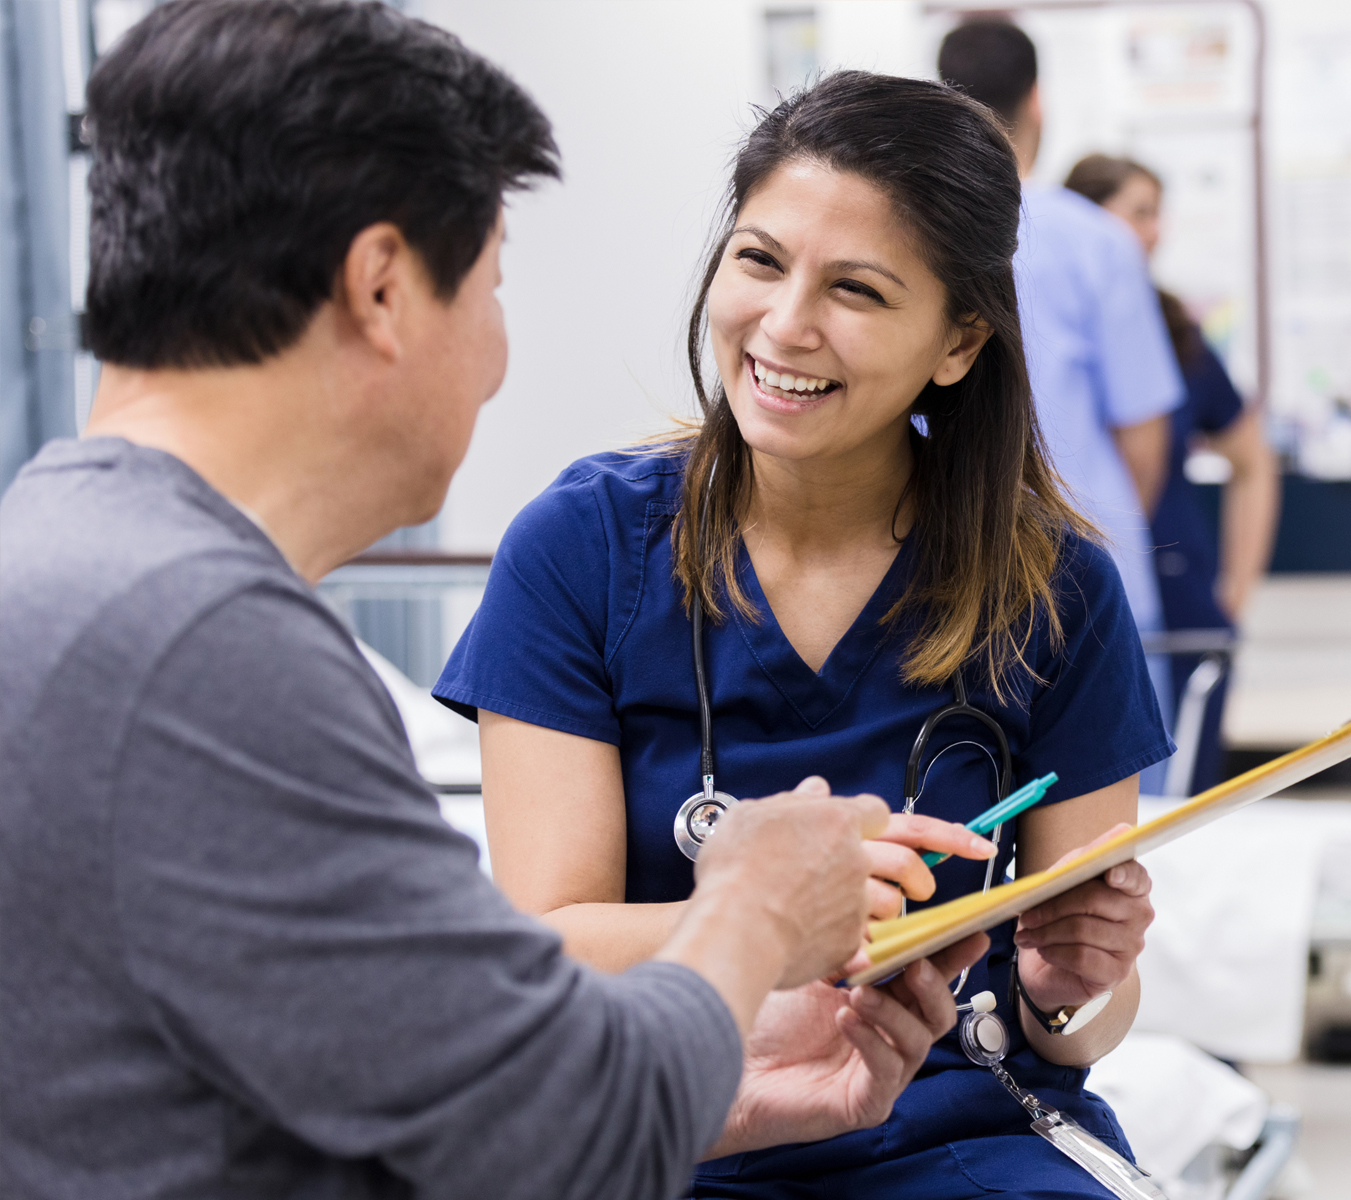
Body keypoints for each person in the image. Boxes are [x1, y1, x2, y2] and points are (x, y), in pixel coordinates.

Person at [0, 5, 984, 1198]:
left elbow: (424, 1088)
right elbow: (544, 1134)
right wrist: (756, 906)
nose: (500, 356)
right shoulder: (203, 648)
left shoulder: (59, 558)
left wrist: (730, 1079)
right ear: (381, 289)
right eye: (492, 287)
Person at [434, 71, 1167, 1199]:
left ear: (959, 339)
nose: (783, 326)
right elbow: (546, 954)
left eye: (858, 291)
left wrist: (1072, 985)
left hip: (967, 1136)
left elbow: (1073, 1027)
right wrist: (775, 917)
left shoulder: (1053, 588)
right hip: (675, 1128)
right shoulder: (584, 552)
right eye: (758, 261)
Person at [938, 20, 1187, 734]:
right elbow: (1143, 437)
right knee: (1117, 827)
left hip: (950, 582)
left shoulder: (920, 237)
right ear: (1037, 102)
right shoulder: (1096, 242)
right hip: (1091, 580)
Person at [1064, 154, 1280, 794]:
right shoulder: (1041, 328)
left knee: (1183, 804)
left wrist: (1236, 591)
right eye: (1138, 212)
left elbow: (1252, 461)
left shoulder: (1174, 331)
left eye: (1158, 214)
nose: (1154, 232)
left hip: (1179, 601)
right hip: (1083, 598)